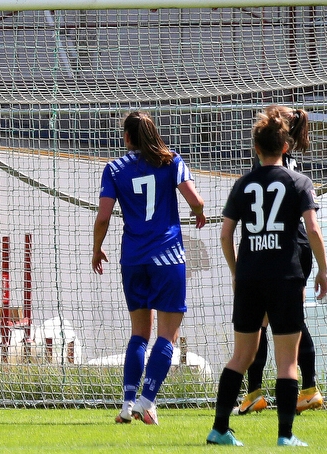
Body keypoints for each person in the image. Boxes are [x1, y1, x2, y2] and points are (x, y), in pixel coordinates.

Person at [206, 107, 327, 447]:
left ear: (255, 148)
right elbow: (314, 230)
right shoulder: (298, 181)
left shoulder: (243, 184)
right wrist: (321, 269)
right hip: (285, 276)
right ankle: (285, 436)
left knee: (240, 356)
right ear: (285, 147)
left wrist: (236, 272)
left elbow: (225, 234)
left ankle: (219, 429)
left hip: (249, 277)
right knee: (287, 361)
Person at [92, 111, 207, 426]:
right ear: (153, 133)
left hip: (133, 259)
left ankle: (128, 404)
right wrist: (198, 212)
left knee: (139, 334)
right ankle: (147, 401)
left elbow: (103, 217)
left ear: (127, 138)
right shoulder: (171, 162)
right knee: (167, 335)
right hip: (167, 257)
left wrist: (96, 248)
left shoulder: (114, 169)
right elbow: (194, 199)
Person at [237, 105, 323, 416]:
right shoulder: (290, 159)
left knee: (263, 320)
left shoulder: (267, 158)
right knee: (289, 318)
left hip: (278, 245)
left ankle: (255, 392)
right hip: (297, 244)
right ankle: (307, 388)